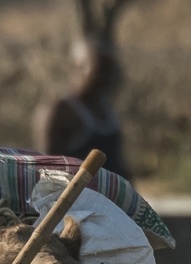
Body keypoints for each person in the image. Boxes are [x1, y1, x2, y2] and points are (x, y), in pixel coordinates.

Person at [34, 36, 131, 181]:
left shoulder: (106, 107)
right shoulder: (59, 111)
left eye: (110, 69)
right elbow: (47, 169)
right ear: (78, 67)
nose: (107, 76)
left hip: (111, 198)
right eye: (101, 69)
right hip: (78, 198)